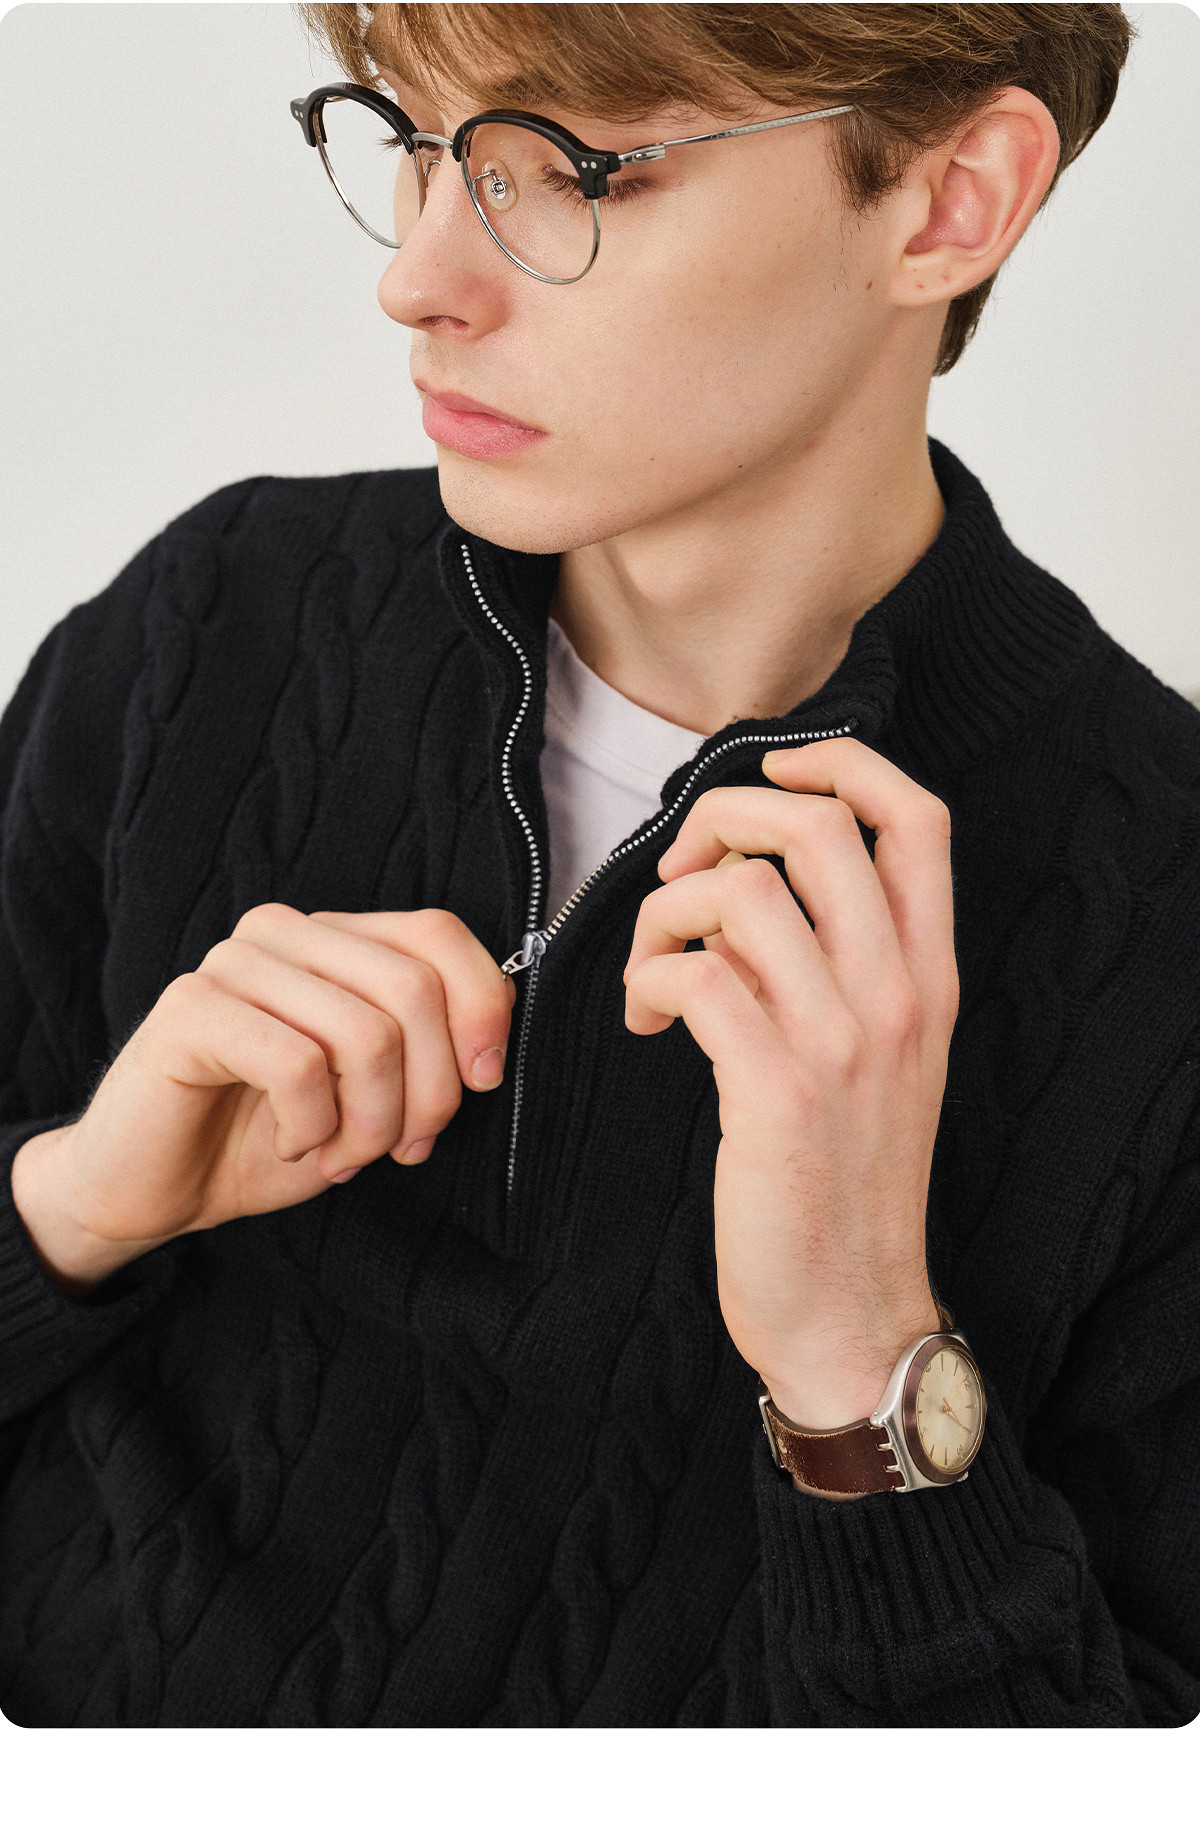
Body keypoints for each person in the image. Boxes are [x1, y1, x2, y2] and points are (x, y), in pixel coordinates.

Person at [0, 0, 1194, 1728]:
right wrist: (71, 1209)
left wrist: (861, 1354)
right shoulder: (213, 620)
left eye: (564, 167)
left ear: (950, 201)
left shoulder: (1164, 910)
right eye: (415, 141)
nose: (414, 281)